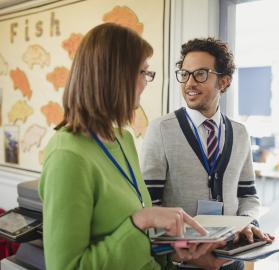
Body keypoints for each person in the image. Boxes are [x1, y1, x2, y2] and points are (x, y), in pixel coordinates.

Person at [39, 23, 226, 270]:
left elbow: (142, 243)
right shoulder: (68, 156)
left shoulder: (123, 140)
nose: (146, 82)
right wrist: (141, 220)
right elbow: (67, 267)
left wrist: (181, 252)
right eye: (143, 72)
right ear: (115, 76)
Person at [141, 37, 274, 269]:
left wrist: (246, 223)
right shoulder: (161, 129)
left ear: (223, 82)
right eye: (185, 74)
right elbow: (150, 203)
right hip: (184, 261)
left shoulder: (240, 133)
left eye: (200, 74)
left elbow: (248, 195)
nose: (189, 83)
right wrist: (183, 250)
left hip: (232, 258)